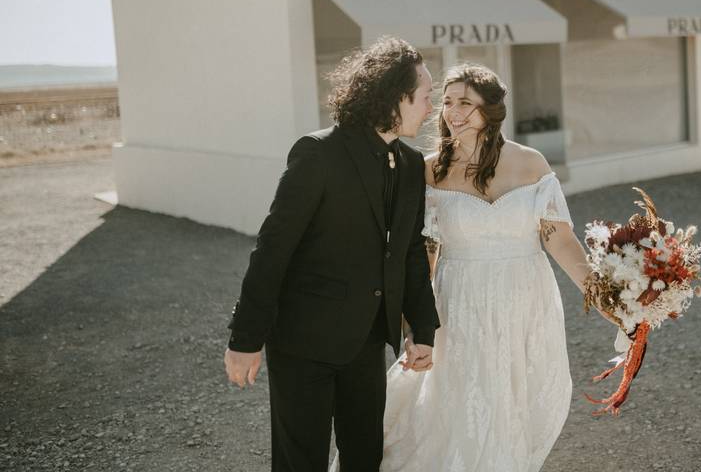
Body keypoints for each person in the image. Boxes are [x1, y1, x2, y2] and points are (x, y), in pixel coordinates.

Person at [331, 63, 616, 472]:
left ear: (492, 109)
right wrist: (416, 329)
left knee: (515, 405)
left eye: (465, 102)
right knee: (462, 406)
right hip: (460, 305)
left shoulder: (531, 164)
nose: (452, 112)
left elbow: (559, 239)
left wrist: (600, 293)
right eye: (446, 102)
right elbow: (424, 254)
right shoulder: (429, 170)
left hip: (525, 303)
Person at [224, 36, 441, 471]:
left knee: (364, 458)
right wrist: (245, 340)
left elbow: (411, 250)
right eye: (424, 97)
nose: (430, 108)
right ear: (396, 97)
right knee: (300, 461)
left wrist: (423, 327)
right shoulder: (319, 153)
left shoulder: (413, 165)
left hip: (365, 342)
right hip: (303, 343)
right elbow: (272, 249)